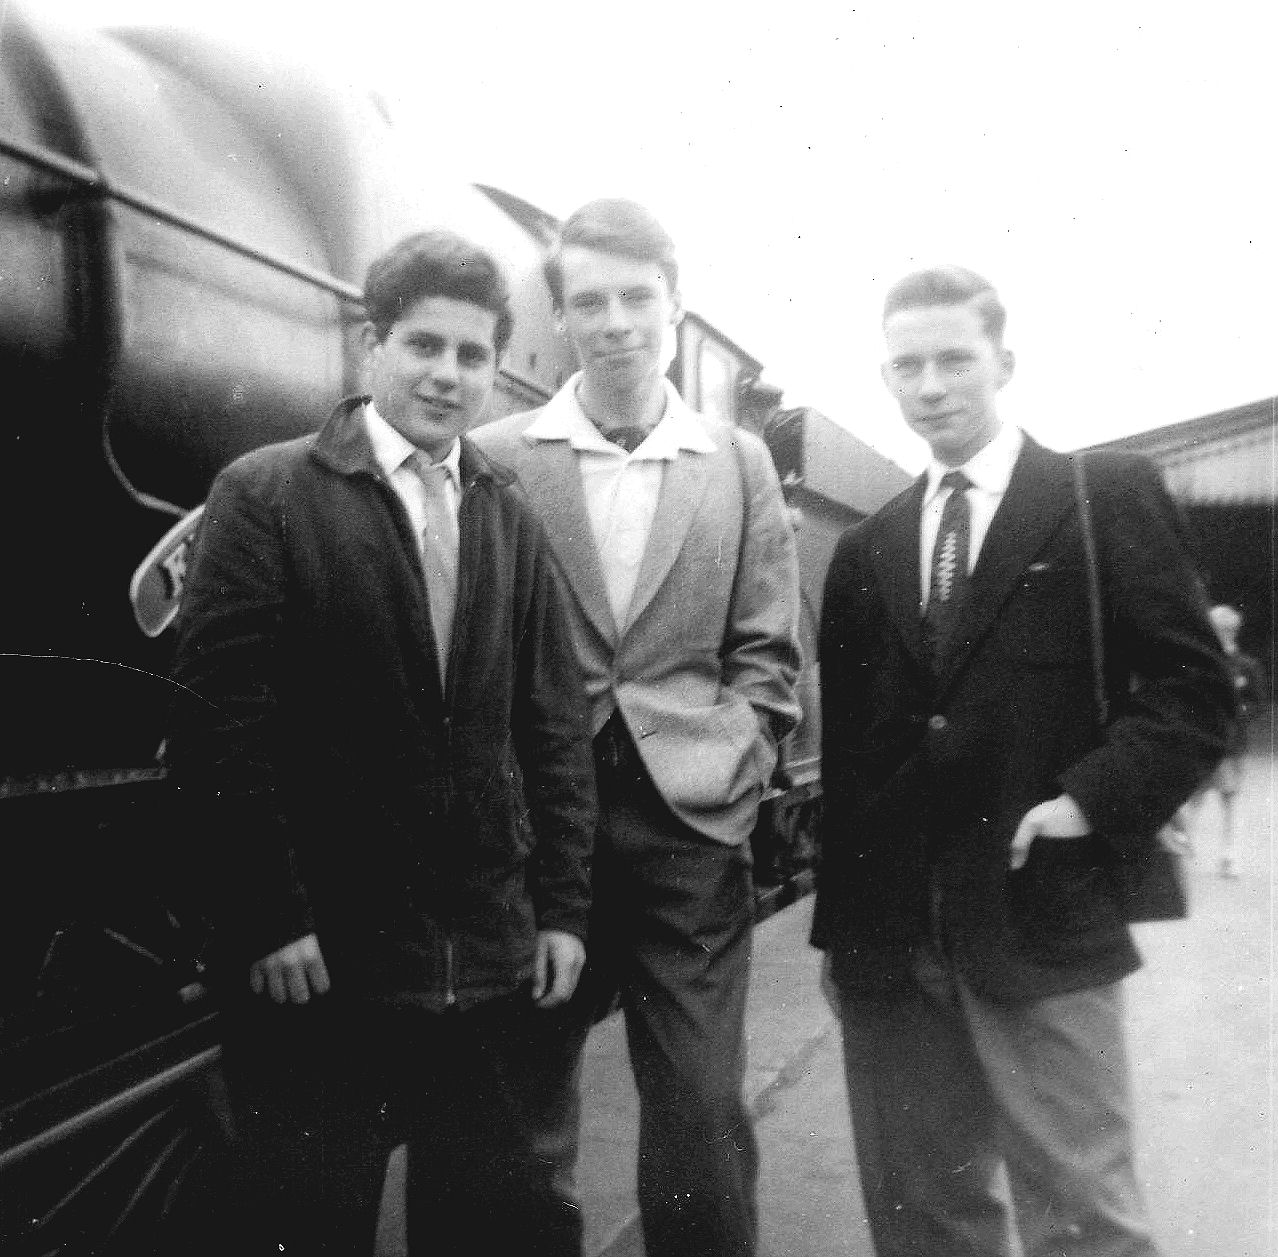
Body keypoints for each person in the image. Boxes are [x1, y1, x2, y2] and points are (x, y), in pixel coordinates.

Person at [163, 230, 596, 1256]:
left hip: (482, 961)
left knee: (486, 1230)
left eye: (473, 355)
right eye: (423, 345)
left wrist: (564, 909)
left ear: (495, 369)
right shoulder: (268, 492)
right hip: (324, 966)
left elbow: (552, 725)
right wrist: (271, 916)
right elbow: (219, 724)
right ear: (372, 345)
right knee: (310, 1222)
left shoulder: (505, 512)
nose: (448, 374)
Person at [811, 265, 1234, 1257]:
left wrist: (1088, 802)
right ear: (885, 377)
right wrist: (842, 934)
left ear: (1005, 362)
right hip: (893, 943)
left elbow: (1194, 690)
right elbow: (853, 760)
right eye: (908, 366)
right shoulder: (868, 548)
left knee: (1084, 1220)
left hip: (1042, 912)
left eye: (954, 360)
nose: (931, 386)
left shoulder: (1100, 498)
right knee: (923, 1219)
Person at [470, 198, 802, 1257]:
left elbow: (769, 650)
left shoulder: (737, 461)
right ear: (561, 316)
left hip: (687, 832)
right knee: (520, 1112)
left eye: (636, 297)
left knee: (700, 1106)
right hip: (534, 833)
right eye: (589, 302)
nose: (615, 323)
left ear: (674, 304)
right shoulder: (495, 456)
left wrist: (732, 770)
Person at [1204, 604, 1266, 876]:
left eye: (1227, 629)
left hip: (1230, 746)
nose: (1222, 634)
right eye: (1217, 629)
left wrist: (1237, 713)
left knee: (1230, 800)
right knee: (1189, 799)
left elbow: (1258, 703)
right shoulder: (1201, 663)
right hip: (1199, 743)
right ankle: (1181, 854)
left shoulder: (1247, 666)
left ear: (1234, 631)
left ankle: (1230, 857)